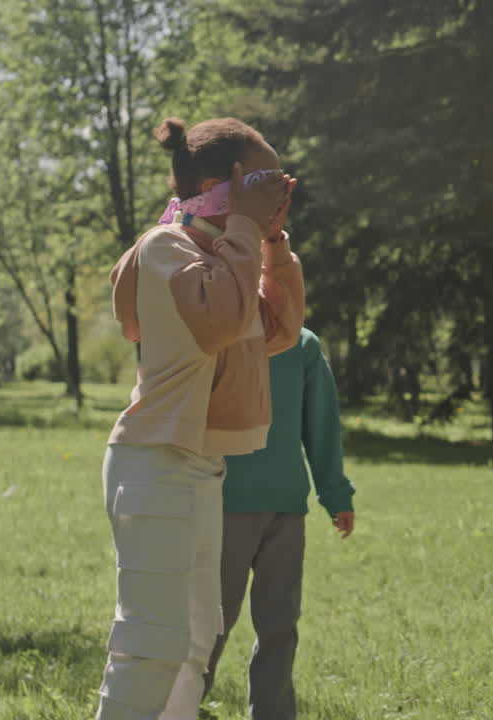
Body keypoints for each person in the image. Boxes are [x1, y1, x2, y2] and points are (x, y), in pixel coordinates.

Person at [98, 116, 306, 720]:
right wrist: (244, 227)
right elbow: (218, 323)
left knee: (192, 642)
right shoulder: (167, 247)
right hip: (155, 462)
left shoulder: (223, 257)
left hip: (197, 469)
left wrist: (271, 241)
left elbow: (279, 330)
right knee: (151, 643)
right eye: (266, 180)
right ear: (226, 184)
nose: (278, 190)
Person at [202, 327, 356, 718]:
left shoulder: (303, 345)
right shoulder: (217, 333)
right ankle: (178, 706)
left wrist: (335, 493)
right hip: (224, 505)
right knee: (210, 622)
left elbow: (321, 422)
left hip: (286, 511)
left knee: (280, 625)